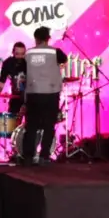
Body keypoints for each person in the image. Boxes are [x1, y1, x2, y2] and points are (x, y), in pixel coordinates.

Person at [19, 26, 67, 165]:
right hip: (50, 93)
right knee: (48, 126)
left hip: (33, 93)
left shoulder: (28, 54)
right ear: (48, 38)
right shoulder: (55, 52)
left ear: (36, 39)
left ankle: (28, 157)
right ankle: (44, 156)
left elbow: (23, 71)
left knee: (31, 126)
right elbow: (64, 61)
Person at [0, 42, 28, 118]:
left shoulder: (28, 62)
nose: (20, 56)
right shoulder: (8, 63)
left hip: (30, 98)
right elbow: (1, 82)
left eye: (22, 54)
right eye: (17, 54)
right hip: (16, 98)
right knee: (12, 122)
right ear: (13, 52)